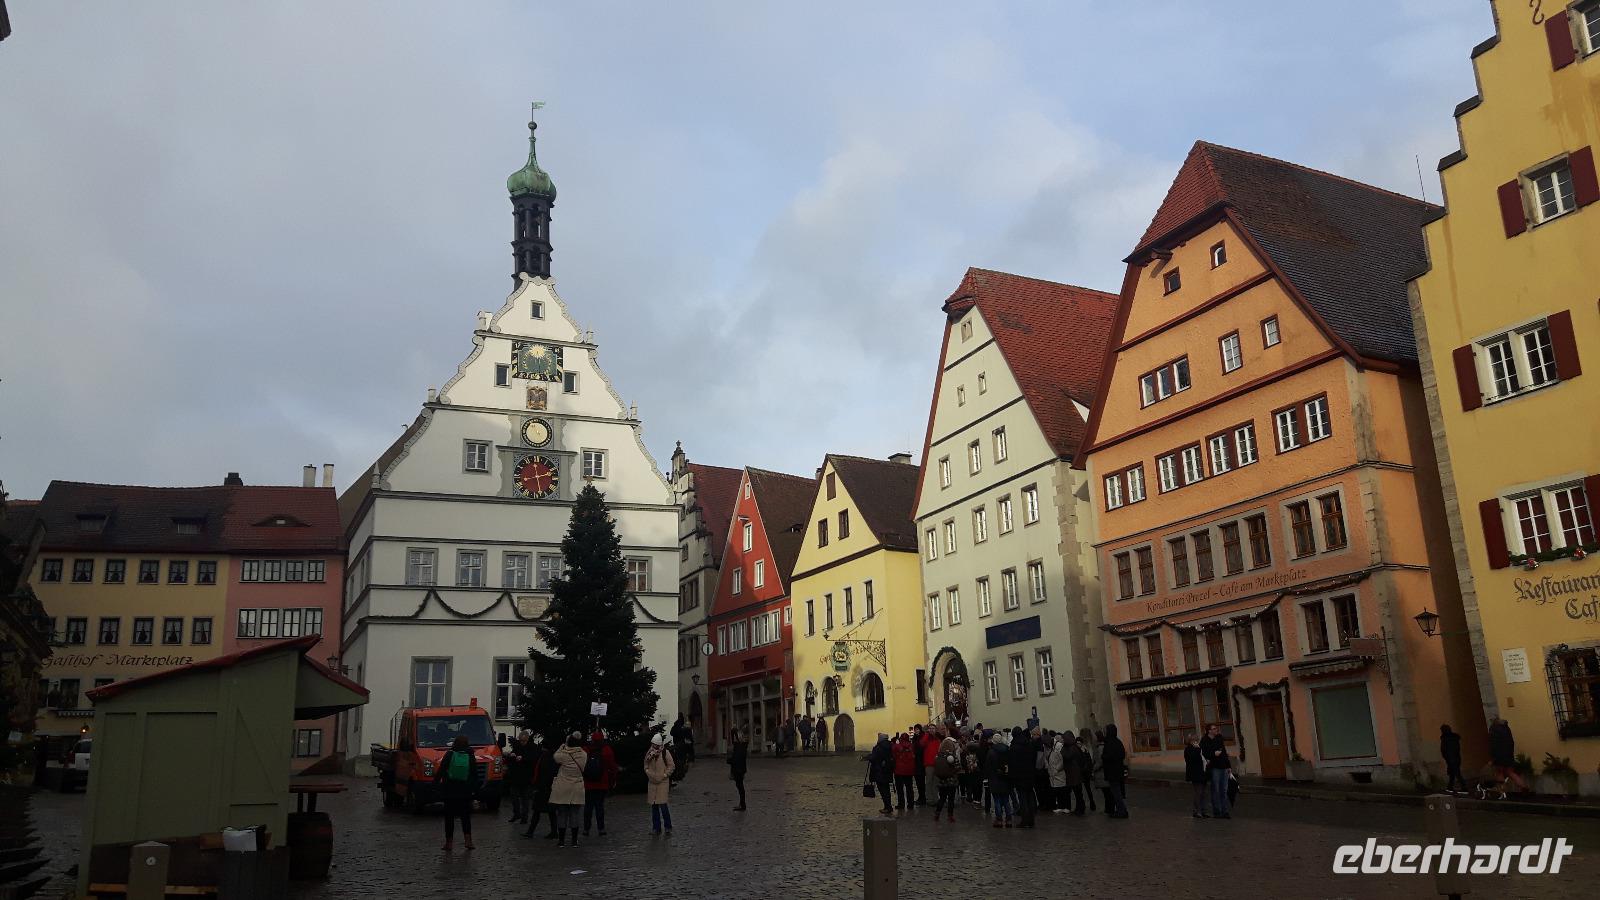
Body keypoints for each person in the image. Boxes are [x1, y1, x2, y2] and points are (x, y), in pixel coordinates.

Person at [434, 734, 480, 851]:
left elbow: (442, 769)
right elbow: (474, 773)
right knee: (465, 816)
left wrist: (435, 784)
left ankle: (449, 843)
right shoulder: (470, 755)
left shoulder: (450, 754)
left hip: (450, 790)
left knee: (449, 817)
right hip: (465, 791)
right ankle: (468, 841)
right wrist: (475, 789)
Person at [550, 731, 588, 847]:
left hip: (563, 787)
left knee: (562, 814)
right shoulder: (583, 754)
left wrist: (563, 746)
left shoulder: (563, 755)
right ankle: (574, 840)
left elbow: (555, 756)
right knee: (575, 814)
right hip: (576, 787)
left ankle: (561, 841)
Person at [582, 730, 619, 836]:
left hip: (588, 783)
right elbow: (612, 767)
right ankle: (601, 828)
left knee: (588, 806)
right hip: (602, 783)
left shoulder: (586, 749)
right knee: (599, 806)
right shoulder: (607, 750)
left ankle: (586, 828)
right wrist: (612, 781)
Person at [523, 735, 559, 839]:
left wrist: (537, 786)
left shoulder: (545, 757)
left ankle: (531, 831)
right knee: (550, 811)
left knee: (537, 811)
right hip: (549, 788)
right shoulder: (553, 757)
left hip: (543, 789)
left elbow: (542, 774)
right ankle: (553, 831)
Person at [644, 732, 675, 835]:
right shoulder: (649, 753)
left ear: (659, 744)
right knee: (654, 807)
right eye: (653, 744)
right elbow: (646, 764)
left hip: (662, 782)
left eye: (655, 745)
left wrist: (665, 775)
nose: (653, 746)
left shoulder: (665, 752)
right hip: (652, 782)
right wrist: (648, 772)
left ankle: (668, 827)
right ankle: (656, 828)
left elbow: (671, 766)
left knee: (663, 806)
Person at [1488, 718, 1530, 792]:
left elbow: (1494, 746)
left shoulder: (1493, 730)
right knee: (1510, 772)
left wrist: (1493, 758)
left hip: (1499, 756)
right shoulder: (1506, 729)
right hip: (1509, 755)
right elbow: (1511, 742)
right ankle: (1523, 787)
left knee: (1499, 773)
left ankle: (1502, 791)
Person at [1198, 723, 1231, 819]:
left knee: (1224, 790)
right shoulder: (1204, 741)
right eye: (1214, 728)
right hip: (1214, 768)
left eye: (1216, 728)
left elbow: (1224, 752)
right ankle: (1217, 812)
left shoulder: (1219, 738)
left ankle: (1225, 811)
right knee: (1215, 790)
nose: (1216, 730)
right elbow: (1203, 754)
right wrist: (1213, 754)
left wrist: (1228, 766)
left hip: (1223, 767)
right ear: (1209, 731)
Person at [1008, 727, 1039, 827]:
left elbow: (1012, 764)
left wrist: (1012, 777)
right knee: (1029, 797)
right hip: (1029, 775)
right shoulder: (1028, 744)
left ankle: (1025, 819)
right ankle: (1031, 819)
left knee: (1022, 798)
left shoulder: (1014, 747)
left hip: (1019, 776)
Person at [504, 731, 534, 824]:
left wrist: (523, 758)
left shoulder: (532, 748)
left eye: (524, 741)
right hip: (516, 777)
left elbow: (533, 759)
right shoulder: (517, 747)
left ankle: (524, 817)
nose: (522, 742)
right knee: (514, 797)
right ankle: (517, 814)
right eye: (521, 740)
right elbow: (510, 760)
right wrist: (511, 756)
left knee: (525, 799)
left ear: (527, 740)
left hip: (526, 778)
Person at [932, 728, 961, 822]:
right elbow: (957, 767)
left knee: (942, 798)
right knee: (951, 799)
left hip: (942, 780)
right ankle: (950, 815)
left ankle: (937, 813)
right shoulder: (952, 757)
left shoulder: (938, 756)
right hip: (951, 780)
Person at [984, 729, 1012, 827]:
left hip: (995, 779)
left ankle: (999, 819)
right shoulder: (1007, 750)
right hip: (1005, 778)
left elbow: (988, 767)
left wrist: (987, 776)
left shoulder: (991, 752)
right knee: (1006, 800)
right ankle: (1009, 819)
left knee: (997, 800)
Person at [1101, 724, 1128, 818]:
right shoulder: (1118, 742)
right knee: (1118, 792)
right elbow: (1122, 754)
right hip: (1118, 770)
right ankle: (1121, 810)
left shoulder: (1109, 743)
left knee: (1116, 793)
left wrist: (1103, 756)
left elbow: (1108, 756)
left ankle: (1122, 811)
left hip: (1112, 772)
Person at [1184, 732, 1211, 818]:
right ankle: (1197, 811)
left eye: (1196, 740)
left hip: (1202, 773)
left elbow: (1203, 759)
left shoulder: (1199, 748)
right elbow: (1192, 759)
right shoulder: (1188, 749)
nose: (1195, 742)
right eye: (1193, 740)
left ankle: (1204, 811)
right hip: (1195, 774)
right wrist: (1197, 749)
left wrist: (1207, 761)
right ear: (1190, 741)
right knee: (1198, 792)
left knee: (1204, 793)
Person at [868, 733, 894, 814]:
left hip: (879, 771)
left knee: (883, 790)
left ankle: (887, 807)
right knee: (887, 790)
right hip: (887, 771)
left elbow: (873, 758)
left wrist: (869, 757)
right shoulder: (890, 746)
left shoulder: (878, 747)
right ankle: (888, 806)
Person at [892, 732, 916, 811]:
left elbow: (893, 755)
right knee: (909, 788)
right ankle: (910, 804)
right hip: (909, 770)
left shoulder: (897, 746)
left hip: (899, 770)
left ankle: (901, 804)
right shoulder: (911, 746)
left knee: (900, 789)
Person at [728, 726, 749, 810]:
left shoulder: (739, 746)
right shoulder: (742, 745)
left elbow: (736, 758)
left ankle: (742, 804)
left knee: (740, 786)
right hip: (740, 768)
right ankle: (742, 803)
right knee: (740, 786)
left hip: (738, 769)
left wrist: (729, 760)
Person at [1440, 724, 1466, 794]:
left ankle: (1464, 787)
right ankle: (1450, 787)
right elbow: (1457, 748)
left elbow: (1444, 750)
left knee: (1456, 774)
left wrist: (1446, 757)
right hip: (1456, 757)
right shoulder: (1455, 738)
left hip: (1450, 758)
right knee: (1453, 773)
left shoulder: (1445, 738)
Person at [1046, 732, 1068, 812]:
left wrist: (1056, 769)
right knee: (1058, 791)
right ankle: (1060, 806)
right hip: (1054, 774)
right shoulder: (1054, 749)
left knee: (1061, 791)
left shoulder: (1058, 748)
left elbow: (1061, 761)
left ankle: (1063, 806)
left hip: (1058, 774)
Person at [912, 724, 929, 806]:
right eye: (915, 729)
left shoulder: (923, 737)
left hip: (921, 761)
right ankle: (921, 797)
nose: (916, 730)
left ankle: (923, 798)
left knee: (922, 781)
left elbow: (921, 748)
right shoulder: (914, 738)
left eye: (917, 729)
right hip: (916, 762)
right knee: (918, 782)